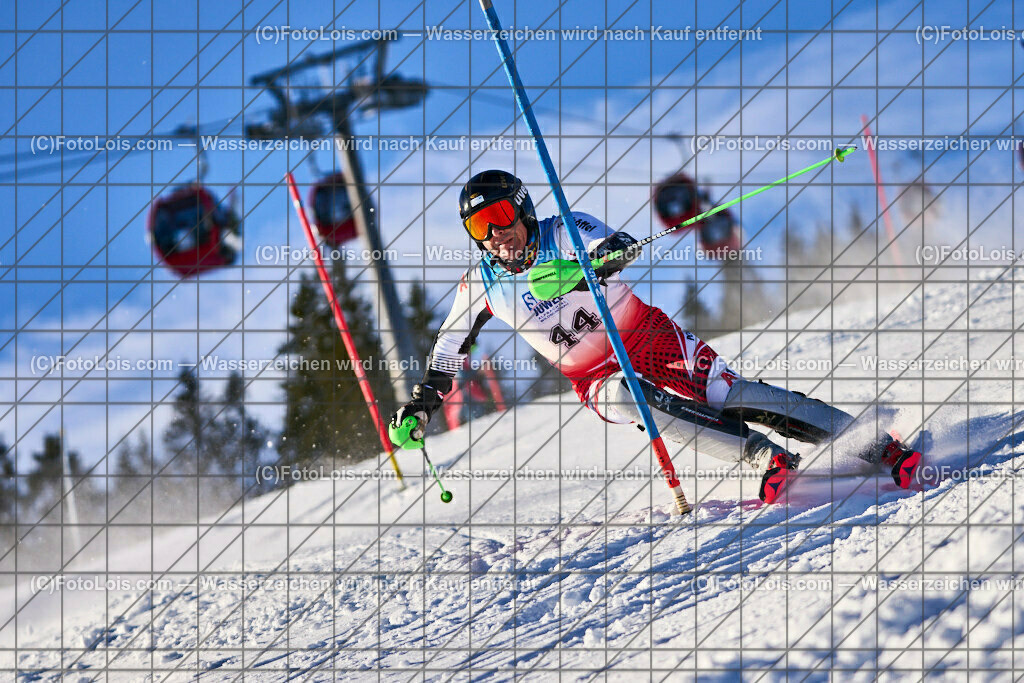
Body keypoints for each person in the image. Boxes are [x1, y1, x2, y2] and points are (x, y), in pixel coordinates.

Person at [389, 170, 920, 504]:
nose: (496, 233)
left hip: (649, 337)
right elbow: (448, 350)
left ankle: (880, 448)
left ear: (523, 209)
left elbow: (619, 245)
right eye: (480, 228)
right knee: (631, 399)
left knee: (736, 397)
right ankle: (764, 459)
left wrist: (586, 266)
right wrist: (421, 406)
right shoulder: (483, 283)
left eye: (502, 216)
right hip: (595, 376)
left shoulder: (565, 230)